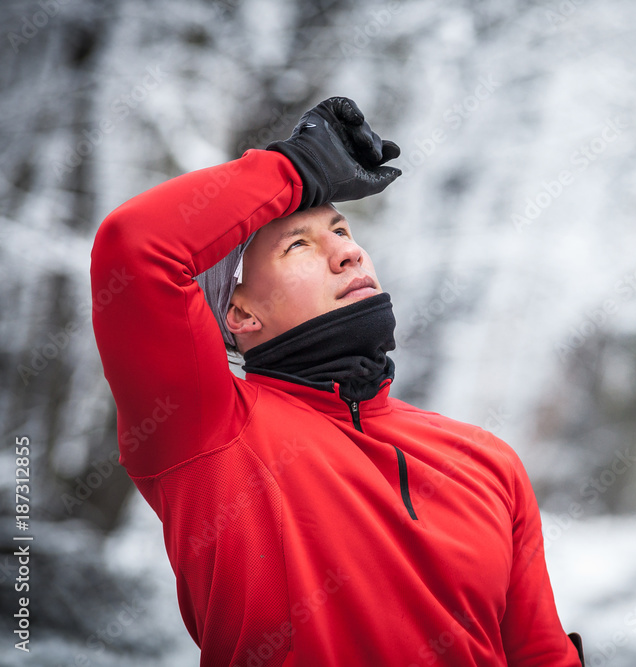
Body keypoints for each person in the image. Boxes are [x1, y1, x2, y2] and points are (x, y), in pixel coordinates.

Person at [90, 96, 585, 666]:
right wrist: (296, 167)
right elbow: (134, 247)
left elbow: (542, 654)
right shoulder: (208, 431)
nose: (347, 252)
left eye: (343, 229)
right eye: (300, 244)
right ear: (241, 314)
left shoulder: (485, 459)